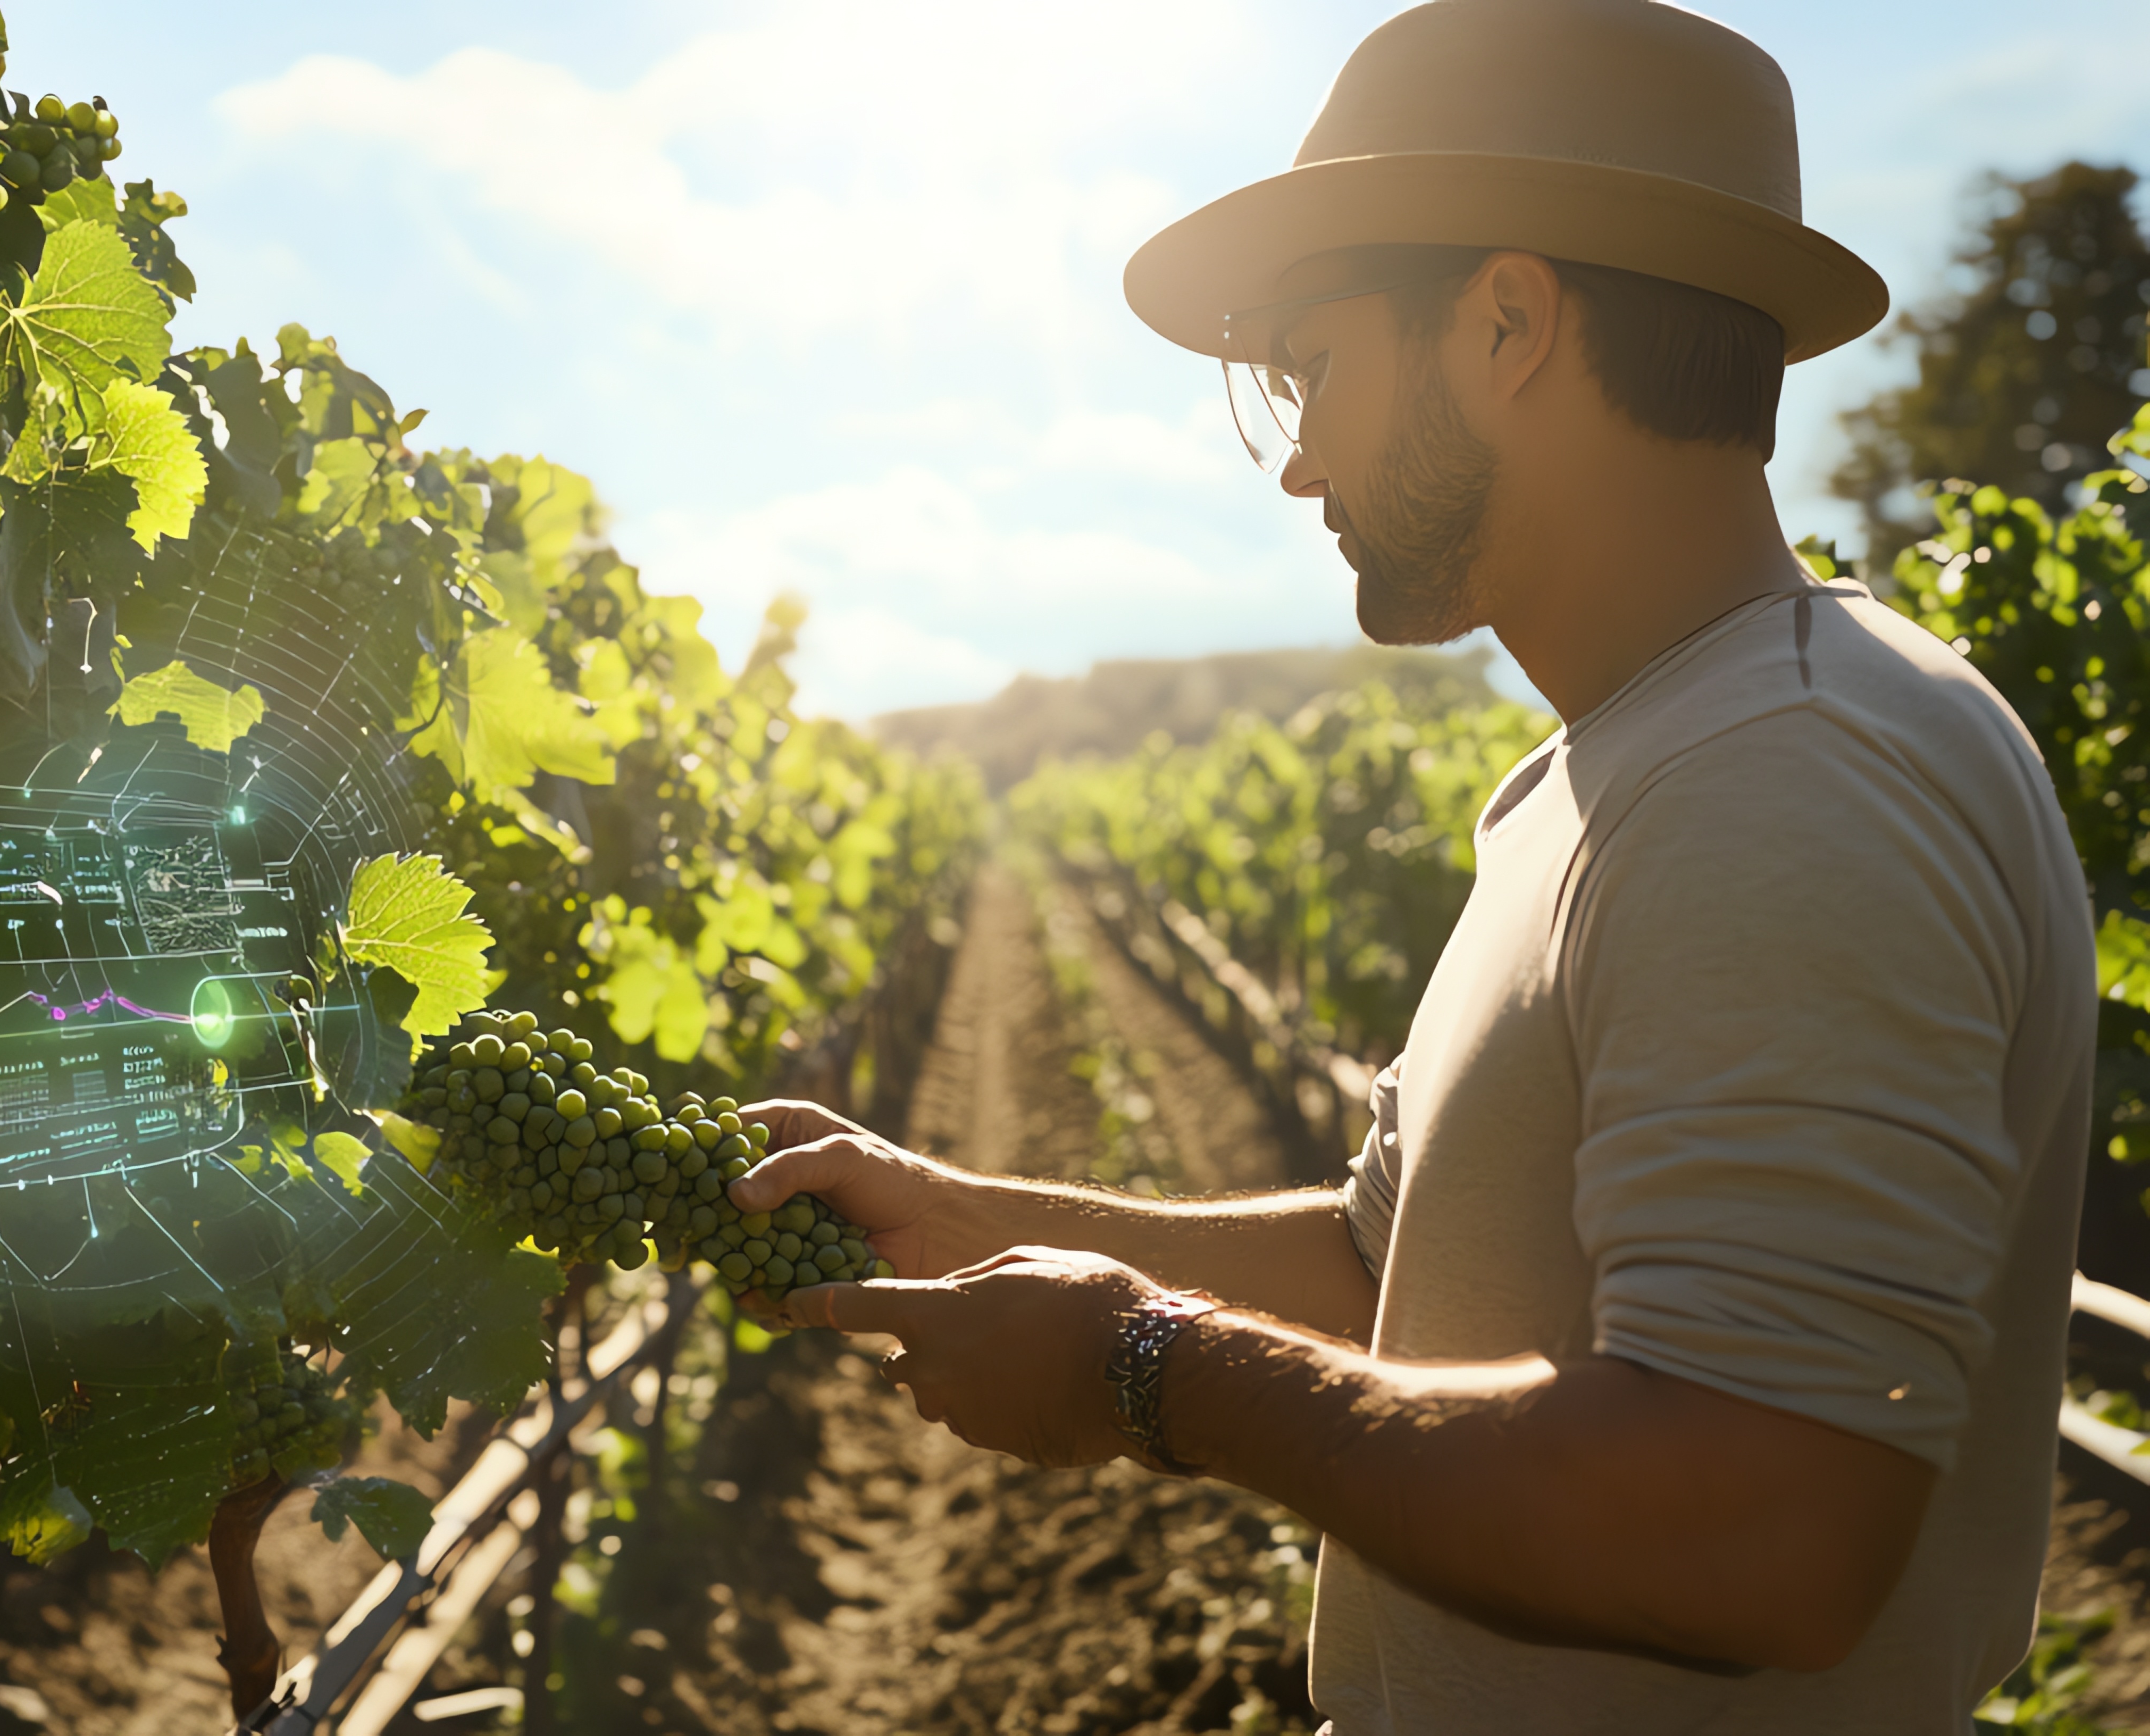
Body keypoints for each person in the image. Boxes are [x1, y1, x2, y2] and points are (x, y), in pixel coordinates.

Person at [730, 2, 2096, 1730]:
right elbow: (1405, 1263)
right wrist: (964, 1214)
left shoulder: (1782, 777)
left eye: (1311, 366)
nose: (1299, 457)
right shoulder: (1628, 766)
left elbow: (1760, 1531)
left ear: (1508, 321)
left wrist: (1143, 1364)